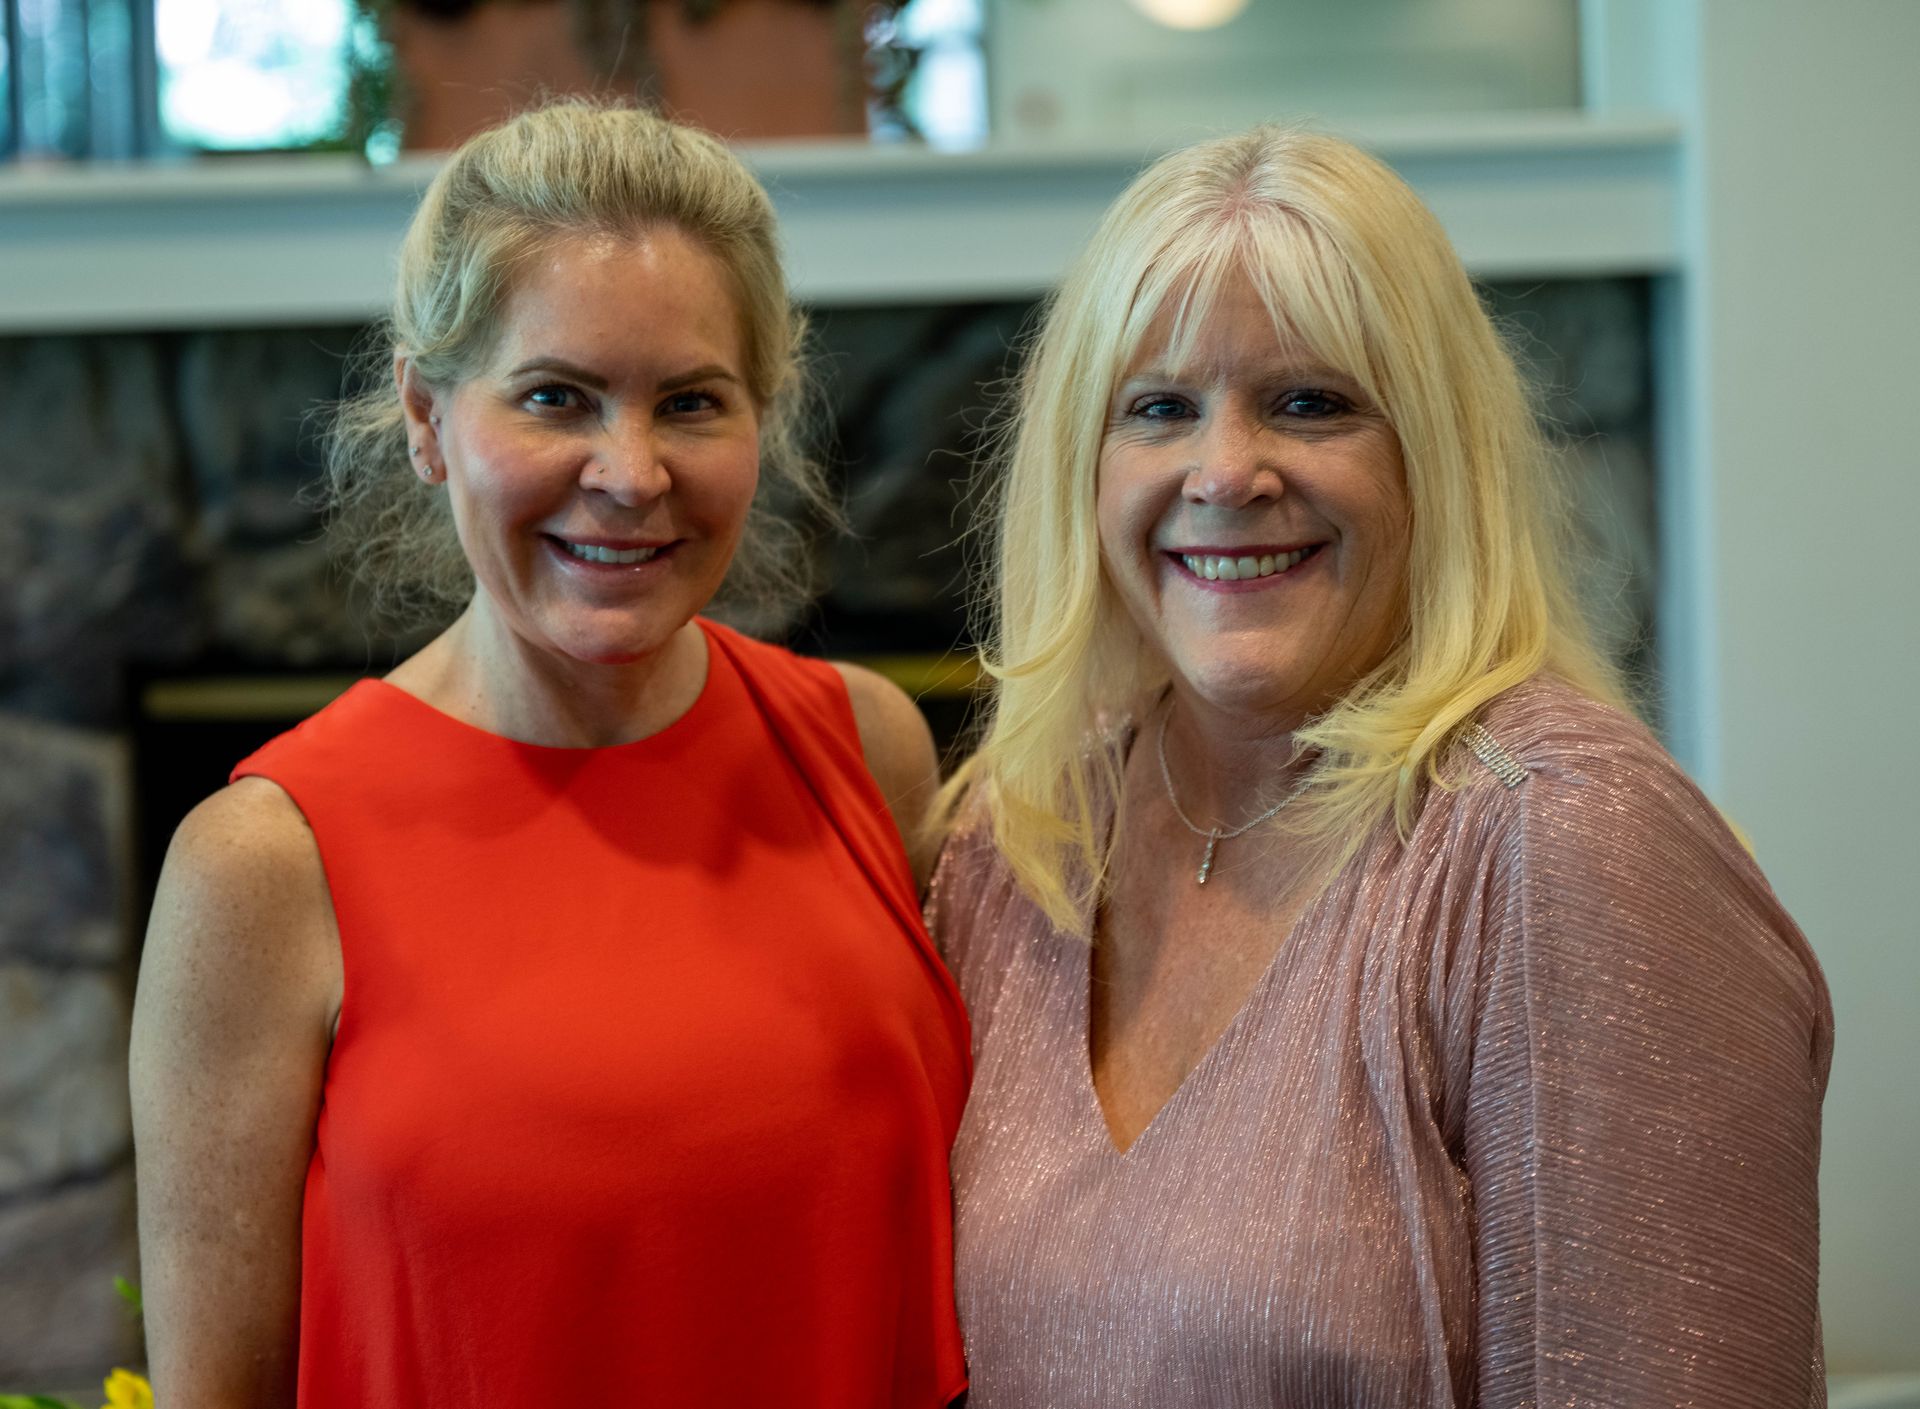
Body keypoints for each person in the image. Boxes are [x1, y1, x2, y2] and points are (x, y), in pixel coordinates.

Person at [926, 126, 1832, 1407]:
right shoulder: (1019, 838)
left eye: (1311, 401)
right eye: (1160, 408)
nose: (1226, 471)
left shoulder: (1561, 842)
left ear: (1436, 455)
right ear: (1084, 465)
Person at [130, 101, 970, 1408]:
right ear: (426, 413)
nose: (630, 474)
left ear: (764, 414)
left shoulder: (868, 747)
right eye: (555, 398)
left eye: (690, 402)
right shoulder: (266, 862)